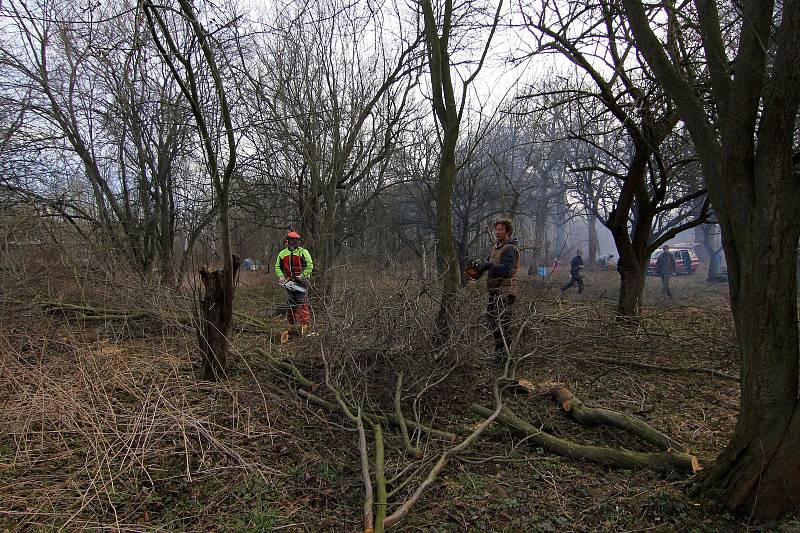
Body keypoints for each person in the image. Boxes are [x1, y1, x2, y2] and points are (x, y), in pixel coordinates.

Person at [468, 218, 519, 362]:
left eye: (500, 229)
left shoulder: (510, 249)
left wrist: (489, 266)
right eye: (496, 229)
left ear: (507, 231)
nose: (497, 232)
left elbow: (506, 270)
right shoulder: (496, 247)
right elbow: (487, 265)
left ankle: (505, 356)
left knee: (503, 323)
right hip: (494, 291)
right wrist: (477, 270)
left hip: (505, 291)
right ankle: (500, 352)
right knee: (492, 322)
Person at [275, 230, 314, 335]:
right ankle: (291, 324)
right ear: (288, 241)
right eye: (292, 240)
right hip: (288, 281)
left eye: (296, 240)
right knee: (291, 302)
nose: (294, 242)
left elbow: (310, 265)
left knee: (301, 302)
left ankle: (304, 324)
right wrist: (282, 277)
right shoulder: (282, 253)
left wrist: (302, 275)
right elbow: (278, 267)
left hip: (301, 281)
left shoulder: (303, 252)